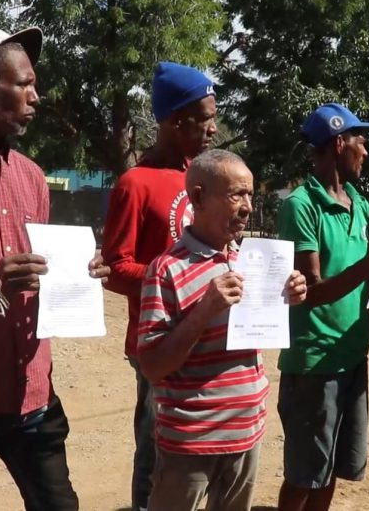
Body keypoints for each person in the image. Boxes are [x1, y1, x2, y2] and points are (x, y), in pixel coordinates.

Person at [0, 26, 108, 511]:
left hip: (34, 389)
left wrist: (78, 273)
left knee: (59, 505)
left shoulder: (31, 175)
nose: (36, 95)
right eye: (24, 84)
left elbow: (42, 271)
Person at [138, 149, 307, 511]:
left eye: (249, 194)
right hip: (190, 440)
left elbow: (256, 337)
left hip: (246, 433)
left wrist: (288, 295)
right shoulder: (166, 269)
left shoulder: (251, 260)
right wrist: (204, 311)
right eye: (236, 195)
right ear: (198, 197)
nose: (247, 206)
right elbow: (152, 365)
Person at [275, 103, 369, 511]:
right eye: (361, 142)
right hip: (315, 362)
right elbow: (311, 290)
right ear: (338, 143)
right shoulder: (302, 206)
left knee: (332, 471)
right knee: (304, 477)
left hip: (352, 354)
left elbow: (368, 276)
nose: (366, 152)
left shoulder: (359, 203)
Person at [102, 61, 217, 510]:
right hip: (158, 344)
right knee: (157, 453)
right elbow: (115, 268)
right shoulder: (136, 183)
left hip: (208, 339)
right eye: (205, 116)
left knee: (199, 451)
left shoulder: (203, 177)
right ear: (175, 119)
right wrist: (177, 280)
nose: (213, 125)